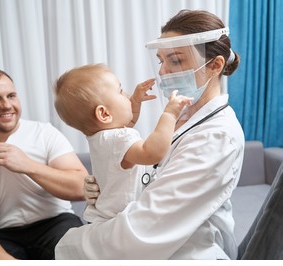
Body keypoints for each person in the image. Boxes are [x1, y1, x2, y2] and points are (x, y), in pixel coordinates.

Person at [55, 9, 245, 260]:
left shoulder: (217, 137)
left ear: (214, 66)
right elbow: (154, 176)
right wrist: (110, 180)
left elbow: (142, 231)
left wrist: (69, 243)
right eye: (161, 61)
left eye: (175, 60)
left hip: (191, 255)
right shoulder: (182, 118)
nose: (163, 71)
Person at [0, 68, 89, 260]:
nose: (7, 105)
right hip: (1, 234)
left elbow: (82, 187)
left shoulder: (45, 133)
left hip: (55, 223)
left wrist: (27, 165)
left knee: (81, 256)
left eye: (11, 95)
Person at [53, 63, 193, 221]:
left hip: (103, 216)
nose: (127, 95)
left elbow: (126, 125)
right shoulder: (119, 139)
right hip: (120, 222)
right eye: (121, 92)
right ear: (104, 114)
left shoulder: (101, 138)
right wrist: (170, 114)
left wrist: (135, 101)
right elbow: (151, 153)